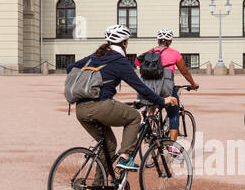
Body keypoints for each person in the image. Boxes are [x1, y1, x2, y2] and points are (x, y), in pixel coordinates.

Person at [69, 25, 174, 173]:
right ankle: (125, 157)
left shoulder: (95, 56)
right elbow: (140, 87)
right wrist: (162, 100)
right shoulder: (120, 61)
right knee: (135, 117)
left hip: (80, 109)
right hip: (100, 107)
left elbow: (70, 68)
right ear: (124, 43)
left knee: (109, 146)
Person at [138, 29, 199, 142]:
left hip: (150, 86)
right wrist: (193, 84)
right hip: (167, 87)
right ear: (170, 41)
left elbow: (137, 63)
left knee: (152, 102)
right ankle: (172, 145)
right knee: (174, 113)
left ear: (158, 40)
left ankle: (149, 122)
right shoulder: (174, 53)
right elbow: (184, 71)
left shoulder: (149, 52)